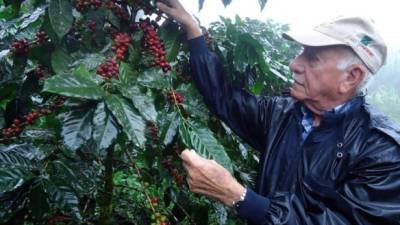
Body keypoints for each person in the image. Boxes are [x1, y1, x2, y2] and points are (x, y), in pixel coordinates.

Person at [157, 1, 400, 224]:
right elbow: (223, 98)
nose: (294, 64)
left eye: (312, 58)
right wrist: (193, 29)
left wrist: (237, 195)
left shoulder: (382, 152)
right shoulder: (281, 114)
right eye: (301, 52)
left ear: (351, 77)